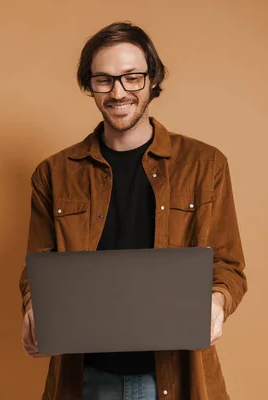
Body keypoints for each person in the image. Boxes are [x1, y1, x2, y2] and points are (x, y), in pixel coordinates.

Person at [19, 21, 247, 400]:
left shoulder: (206, 165)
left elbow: (228, 266)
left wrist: (216, 301)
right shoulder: (54, 173)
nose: (118, 92)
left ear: (152, 79)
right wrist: (33, 308)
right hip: (87, 376)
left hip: (176, 375)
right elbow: (38, 266)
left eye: (132, 78)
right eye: (104, 80)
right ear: (89, 85)